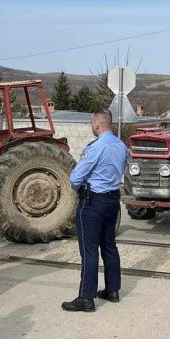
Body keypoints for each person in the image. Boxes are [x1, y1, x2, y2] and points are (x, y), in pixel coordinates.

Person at [61, 110, 127, 313]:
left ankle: (86, 298)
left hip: (93, 204)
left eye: (92, 122)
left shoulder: (96, 147)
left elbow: (75, 178)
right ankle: (112, 290)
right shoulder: (121, 145)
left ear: (97, 125)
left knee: (89, 251)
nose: (91, 126)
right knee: (109, 246)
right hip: (112, 201)